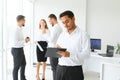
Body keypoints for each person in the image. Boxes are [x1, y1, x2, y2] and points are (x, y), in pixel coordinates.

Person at [56, 10, 90, 80]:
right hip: (60, 69)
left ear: (73, 18)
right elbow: (58, 47)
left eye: (67, 21)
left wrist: (70, 55)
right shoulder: (62, 34)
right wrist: (56, 49)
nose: (65, 25)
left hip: (74, 70)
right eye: (63, 23)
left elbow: (87, 54)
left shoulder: (83, 34)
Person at [11, 15, 30, 80]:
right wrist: (24, 40)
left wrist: (25, 40)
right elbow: (15, 43)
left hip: (20, 49)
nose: (25, 21)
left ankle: (23, 78)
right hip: (16, 50)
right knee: (16, 67)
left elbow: (20, 41)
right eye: (24, 20)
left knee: (23, 64)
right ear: (20, 21)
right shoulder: (16, 30)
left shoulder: (20, 29)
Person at [47, 14, 62, 80]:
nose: (49, 22)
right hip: (57, 48)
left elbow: (51, 39)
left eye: (50, 21)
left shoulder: (55, 27)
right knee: (56, 67)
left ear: (53, 19)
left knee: (54, 68)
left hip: (53, 49)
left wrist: (47, 39)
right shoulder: (59, 27)